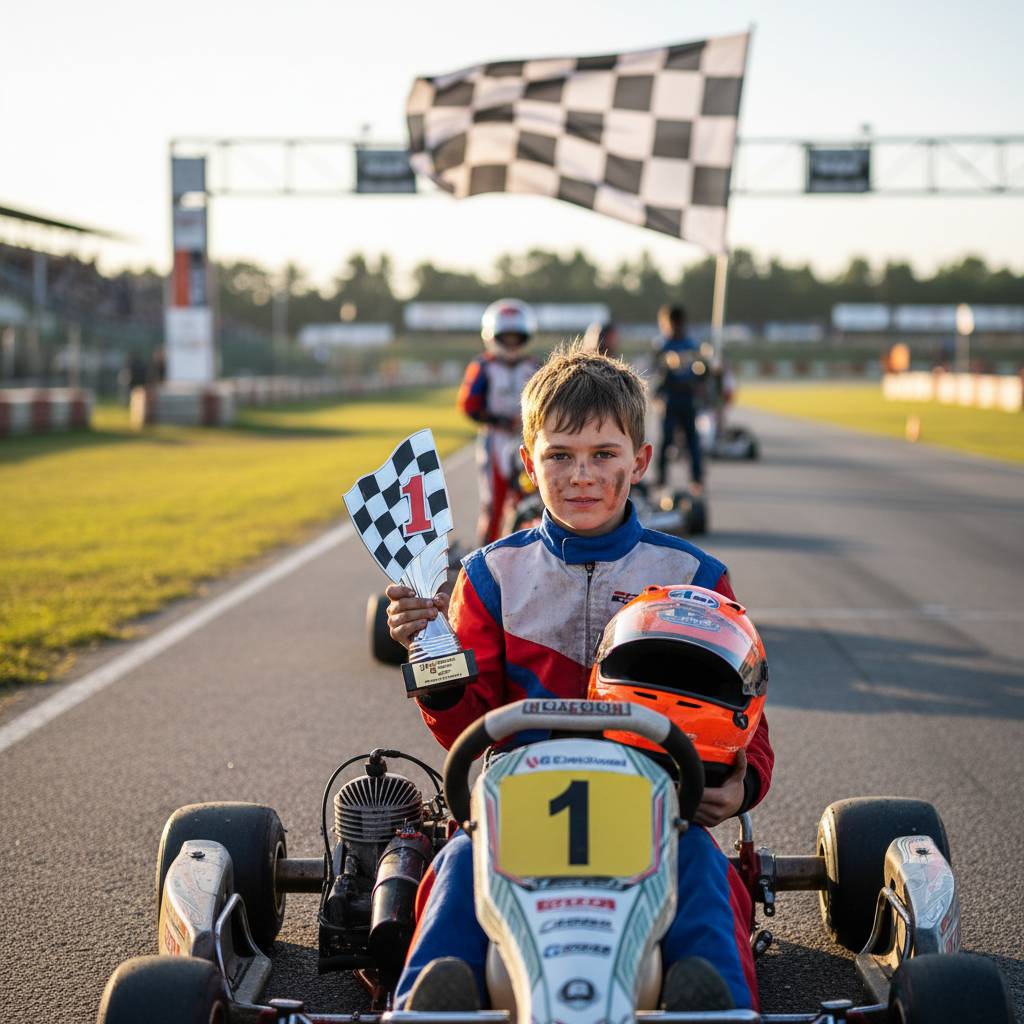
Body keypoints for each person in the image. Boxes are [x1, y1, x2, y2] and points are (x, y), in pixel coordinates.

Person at [385, 346, 773, 1013]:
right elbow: (464, 725)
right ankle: (436, 997)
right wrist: (428, 650)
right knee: (454, 868)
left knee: (707, 874)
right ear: (528, 465)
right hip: (521, 800)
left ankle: (712, 1002)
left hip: (657, 806)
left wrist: (740, 784)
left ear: (640, 462)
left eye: (603, 454)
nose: (581, 476)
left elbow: (745, 720)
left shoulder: (693, 576)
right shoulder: (488, 576)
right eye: (560, 455)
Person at [458, 299, 540, 546]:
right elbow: (469, 405)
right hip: (495, 441)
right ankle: (484, 557)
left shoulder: (534, 366)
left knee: (532, 501)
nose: (512, 342)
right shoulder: (483, 366)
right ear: (493, 335)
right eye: (507, 337)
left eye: (517, 336)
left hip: (528, 440)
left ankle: (528, 552)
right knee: (493, 503)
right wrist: (501, 420)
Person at [652, 304, 704, 493]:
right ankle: (661, 479)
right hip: (670, 398)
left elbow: (702, 373)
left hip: (686, 398)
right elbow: (655, 370)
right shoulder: (662, 345)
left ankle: (696, 479)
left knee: (691, 440)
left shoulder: (691, 345)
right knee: (666, 441)